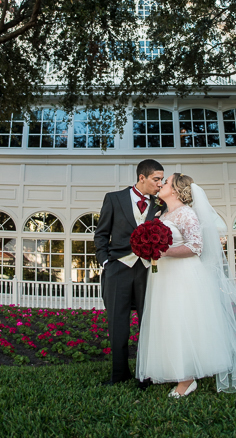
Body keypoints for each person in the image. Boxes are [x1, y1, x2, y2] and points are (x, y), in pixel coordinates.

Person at [136, 173, 236, 397]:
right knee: (168, 322)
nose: (161, 184)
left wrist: (163, 251)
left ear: (176, 190)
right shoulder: (163, 213)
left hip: (183, 276)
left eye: (165, 182)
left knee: (183, 321)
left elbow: (196, 247)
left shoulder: (186, 214)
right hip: (164, 276)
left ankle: (187, 381)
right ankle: (178, 370)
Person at [95, 159, 165, 387]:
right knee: (118, 323)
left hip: (147, 271)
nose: (160, 184)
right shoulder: (114, 199)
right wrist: (106, 262)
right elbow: (101, 234)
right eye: (156, 179)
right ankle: (118, 374)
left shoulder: (160, 204)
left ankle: (146, 373)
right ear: (141, 177)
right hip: (118, 269)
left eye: (162, 180)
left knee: (148, 323)